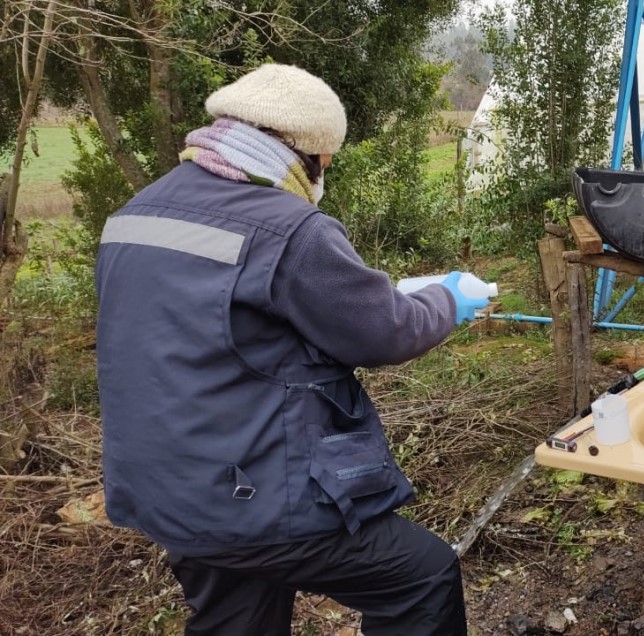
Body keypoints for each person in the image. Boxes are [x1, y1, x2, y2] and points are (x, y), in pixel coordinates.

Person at [94, 63, 486, 635]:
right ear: (306, 152)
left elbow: (206, 329)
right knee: (420, 578)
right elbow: (385, 330)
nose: (325, 172)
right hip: (250, 494)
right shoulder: (290, 227)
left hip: (165, 491)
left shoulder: (136, 214)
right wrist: (447, 300)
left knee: (239, 617)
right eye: (327, 160)